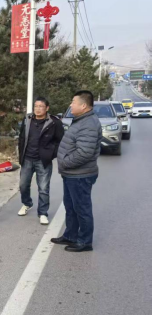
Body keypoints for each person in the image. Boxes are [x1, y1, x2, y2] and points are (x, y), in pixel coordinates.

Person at [53, 91, 102, 253]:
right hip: (72, 174)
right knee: (71, 206)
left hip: (80, 175)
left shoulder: (88, 124)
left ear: (83, 105)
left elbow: (84, 153)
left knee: (82, 208)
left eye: (73, 102)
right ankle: (71, 235)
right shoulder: (81, 120)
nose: (70, 105)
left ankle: (85, 241)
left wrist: (65, 162)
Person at [18, 97, 65, 226]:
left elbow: (60, 141)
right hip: (27, 159)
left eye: (41, 106)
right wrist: (21, 155)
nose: (38, 109)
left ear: (47, 108)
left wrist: (51, 154)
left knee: (43, 188)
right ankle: (27, 203)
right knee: (23, 185)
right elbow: (21, 138)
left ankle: (43, 213)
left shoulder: (54, 122)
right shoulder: (27, 119)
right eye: (36, 106)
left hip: (43, 161)